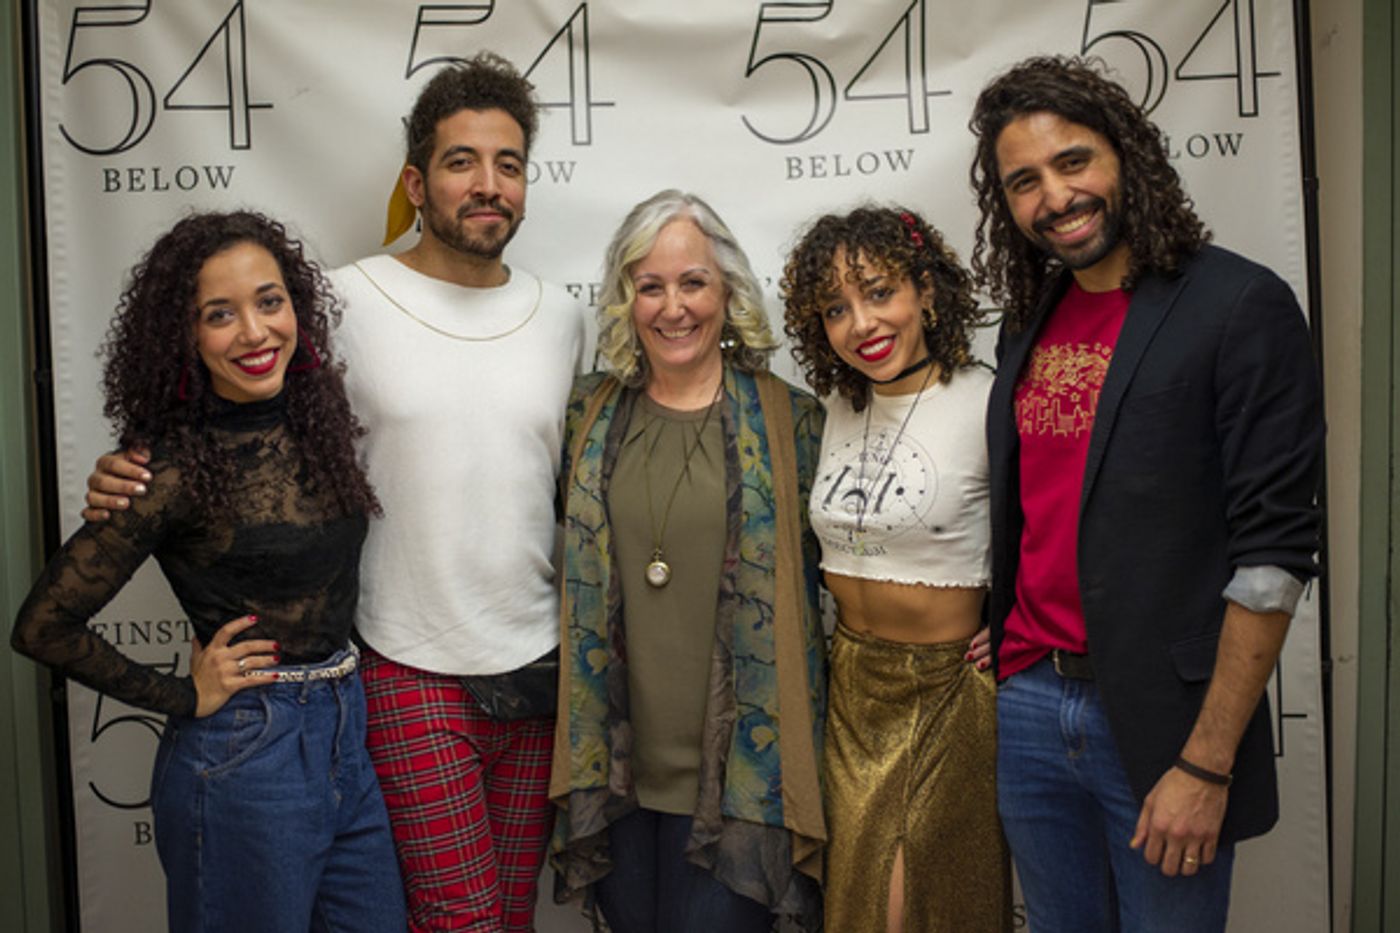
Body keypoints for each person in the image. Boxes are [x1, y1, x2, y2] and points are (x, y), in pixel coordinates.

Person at [82, 53, 586, 932]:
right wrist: (127, 471)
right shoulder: (346, 302)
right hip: (405, 662)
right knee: (459, 921)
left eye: (508, 164)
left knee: (509, 914)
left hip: (536, 668)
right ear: (416, 181)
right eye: (462, 160)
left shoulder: (564, 316)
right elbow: (232, 401)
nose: (488, 184)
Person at [967, 56, 1325, 932]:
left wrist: (1206, 763)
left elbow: (1274, 558)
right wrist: (1006, 624)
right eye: (1024, 182)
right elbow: (1044, 504)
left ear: (1126, 154)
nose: (1055, 196)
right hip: (1030, 705)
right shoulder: (1030, 317)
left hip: (1168, 726)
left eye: (1073, 161)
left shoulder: (1239, 304)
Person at [13, 211, 405, 933]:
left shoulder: (321, 419)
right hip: (246, 752)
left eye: (269, 301)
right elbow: (42, 624)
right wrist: (179, 694)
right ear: (185, 337)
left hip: (349, 734)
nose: (255, 333)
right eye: (219, 315)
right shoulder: (162, 470)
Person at [549, 189, 827, 933]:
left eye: (693, 282)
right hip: (617, 781)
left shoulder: (792, 421)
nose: (674, 307)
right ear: (625, 298)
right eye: (651, 285)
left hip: (743, 787)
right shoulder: (587, 414)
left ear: (728, 289)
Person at [781, 206, 1010, 933]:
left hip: (949, 688)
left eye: (879, 292)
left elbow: (1056, 530)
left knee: (930, 905)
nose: (861, 323)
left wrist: (1016, 626)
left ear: (927, 292)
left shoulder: (986, 399)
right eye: (836, 309)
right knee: (855, 904)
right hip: (851, 684)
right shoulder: (837, 406)